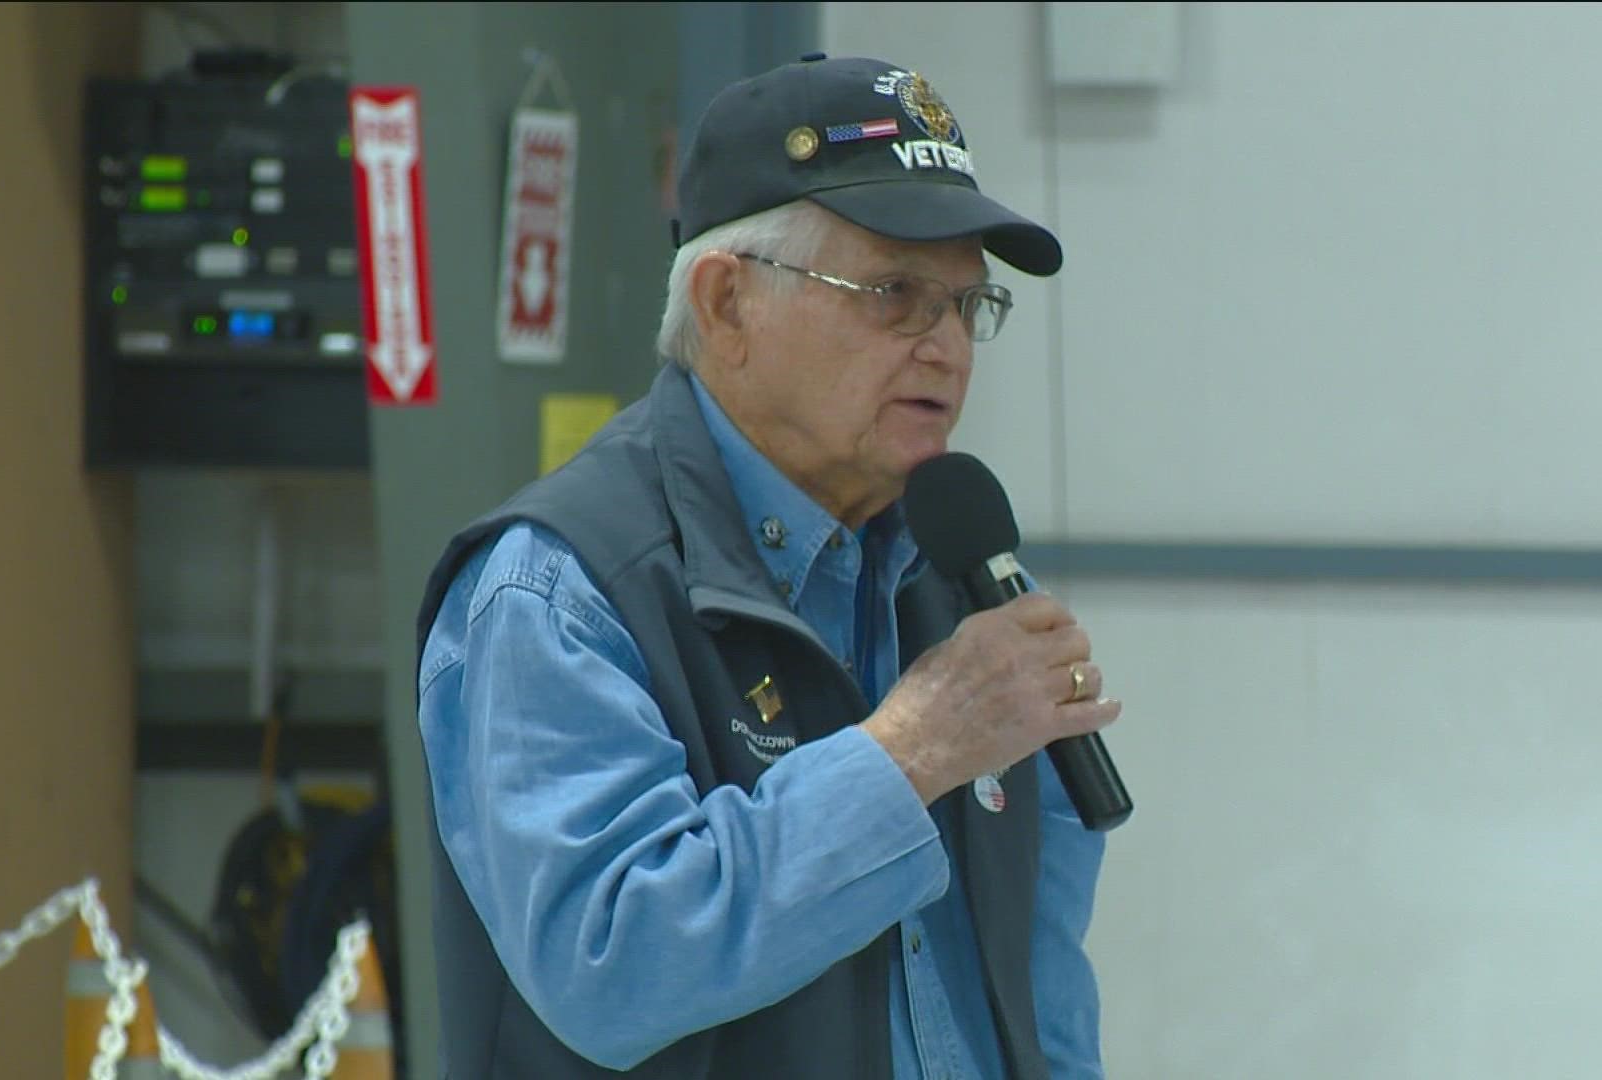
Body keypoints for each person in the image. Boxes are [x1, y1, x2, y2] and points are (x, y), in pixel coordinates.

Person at [415, 52, 1122, 1079]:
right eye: (894, 294)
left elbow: (1036, 982)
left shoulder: (959, 578)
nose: (948, 348)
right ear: (727, 304)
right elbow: (613, 966)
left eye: (970, 307)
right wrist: (910, 753)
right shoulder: (560, 593)